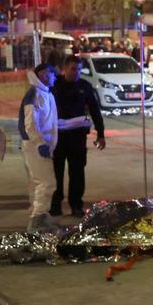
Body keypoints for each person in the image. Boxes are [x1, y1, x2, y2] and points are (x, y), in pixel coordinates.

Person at [51, 55, 106, 217]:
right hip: (57, 138)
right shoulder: (54, 85)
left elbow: (95, 111)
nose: (76, 73)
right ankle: (55, 204)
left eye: (79, 69)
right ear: (64, 69)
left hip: (77, 138)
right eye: (73, 69)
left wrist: (100, 134)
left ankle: (76, 204)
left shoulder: (85, 86)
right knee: (56, 173)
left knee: (77, 172)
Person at [19, 63, 59, 231]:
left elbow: (47, 120)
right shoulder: (34, 94)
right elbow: (30, 124)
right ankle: (37, 219)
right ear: (43, 75)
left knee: (39, 182)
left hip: (39, 145)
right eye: (52, 74)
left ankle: (40, 216)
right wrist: (40, 143)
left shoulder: (44, 93)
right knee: (47, 182)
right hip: (36, 146)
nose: (55, 77)